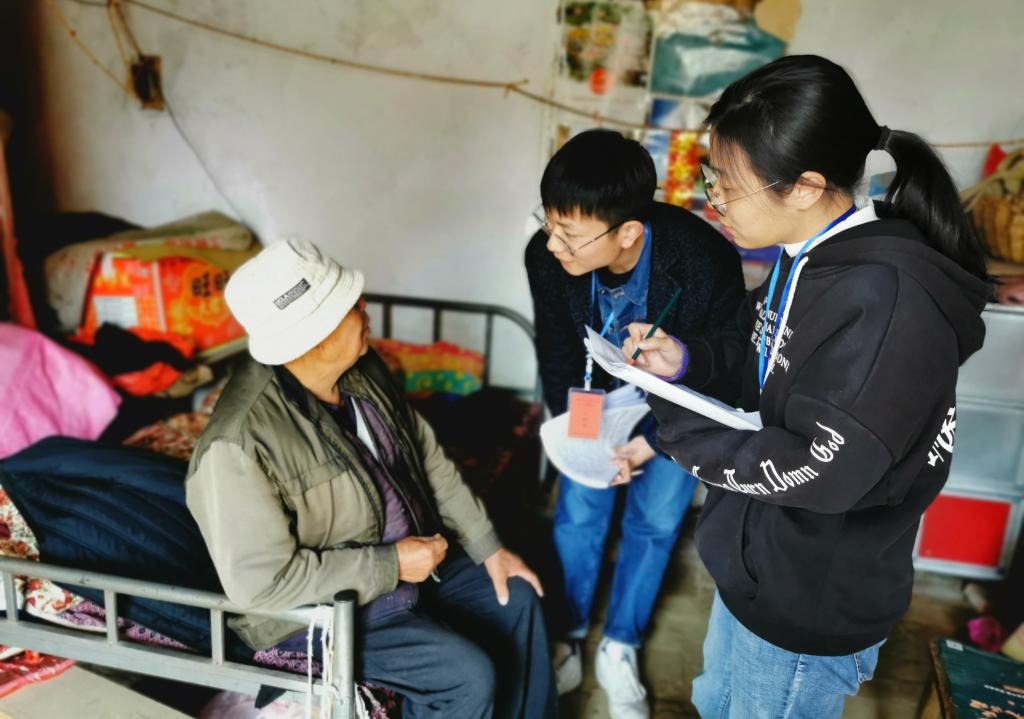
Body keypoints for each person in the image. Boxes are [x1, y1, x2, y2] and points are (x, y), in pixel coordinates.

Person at [625, 55, 992, 717]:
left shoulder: (887, 299)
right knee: (716, 702)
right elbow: (756, 347)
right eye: (713, 175)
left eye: (728, 183)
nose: (715, 198)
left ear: (804, 187)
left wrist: (675, 432)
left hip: (809, 600)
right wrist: (685, 360)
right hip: (758, 564)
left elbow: (821, 467)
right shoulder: (806, 258)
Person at [186, 239, 558, 719]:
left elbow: (426, 455)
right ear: (315, 337)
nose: (365, 307)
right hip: (316, 613)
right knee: (466, 677)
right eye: (350, 305)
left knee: (518, 596)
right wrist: (391, 565)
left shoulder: (363, 369)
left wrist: (488, 546)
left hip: (412, 563)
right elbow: (263, 586)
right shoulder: (237, 445)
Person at [525, 129, 745, 717]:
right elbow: (557, 351)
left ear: (627, 232)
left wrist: (650, 442)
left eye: (569, 234)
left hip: (676, 405)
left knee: (655, 522)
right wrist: (582, 433)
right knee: (579, 515)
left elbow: (720, 373)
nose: (552, 244)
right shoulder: (545, 258)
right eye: (548, 223)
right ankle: (568, 634)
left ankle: (621, 642)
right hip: (594, 398)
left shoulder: (703, 260)